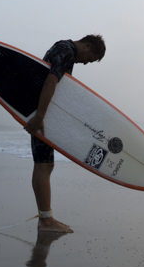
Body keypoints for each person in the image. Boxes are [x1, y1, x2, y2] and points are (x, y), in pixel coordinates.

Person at [23, 35, 106, 233]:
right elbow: (50, 82)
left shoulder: (61, 47)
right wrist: (40, 116)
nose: (85, 63)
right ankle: (46, 221)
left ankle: (45, 218)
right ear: (87, 45)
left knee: (44, 164)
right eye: (89, 59)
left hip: (45, 113)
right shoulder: (67, 51)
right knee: (44, 165)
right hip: (43, 114)